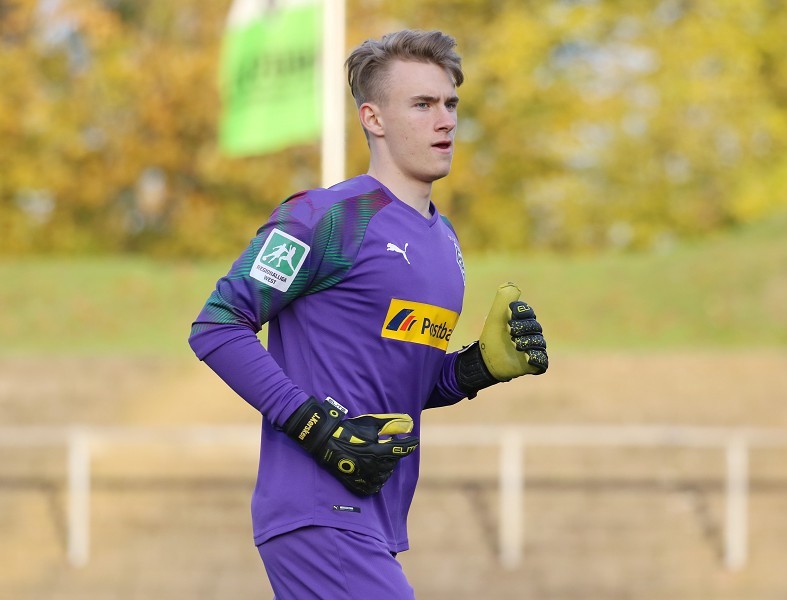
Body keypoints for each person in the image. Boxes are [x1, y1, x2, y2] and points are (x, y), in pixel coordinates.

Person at [189, 29, 548, 599]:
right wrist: (313, 425)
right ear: (374, 119)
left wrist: (476, 369)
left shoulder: (445, 240)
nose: (446, 120)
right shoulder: (323, 217)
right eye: (423, 104)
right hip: (316, 511)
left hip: (376, 521)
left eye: (451, 103)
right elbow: (216, 325)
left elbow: (392, 379)